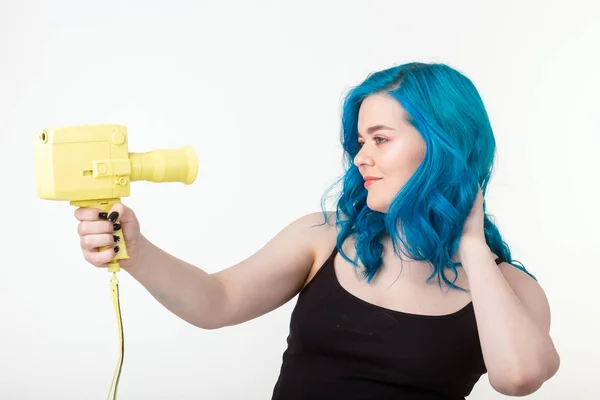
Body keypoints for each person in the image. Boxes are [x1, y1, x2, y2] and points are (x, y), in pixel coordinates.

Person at [74, 62, 560, 399]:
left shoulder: (512, 290)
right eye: (360, 141)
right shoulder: (324, 238)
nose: (362, 157)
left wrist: (471, 243)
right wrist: (134, 250)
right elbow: (215, 302)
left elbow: (518, 378)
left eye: (381, 139)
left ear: (442, 146)